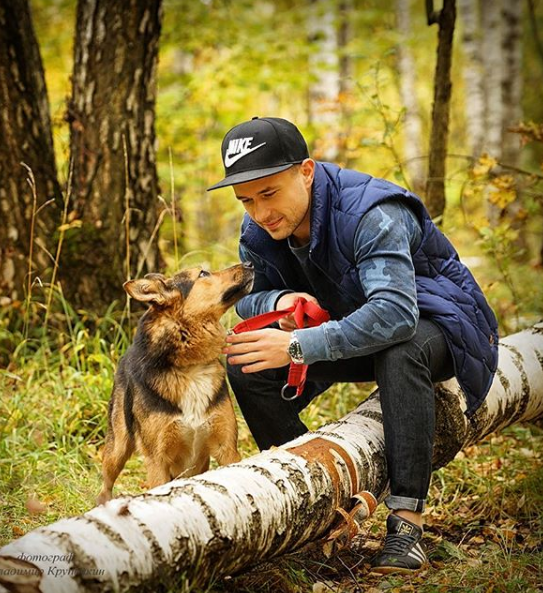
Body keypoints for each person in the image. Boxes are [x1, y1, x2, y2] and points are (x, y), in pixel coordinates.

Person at [207, 116, 498, 574]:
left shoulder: (373, 212)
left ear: (305, 171)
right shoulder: (261, 228)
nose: (260, 212)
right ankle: (316, 496)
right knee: (247, 364)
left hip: (439, 325)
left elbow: (396, 315)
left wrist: (300, 346)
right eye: (246, 200)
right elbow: (250, 298)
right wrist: (280, 298)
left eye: (269, 193)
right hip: (356, 330)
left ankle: (406, 527)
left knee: (404, 349)